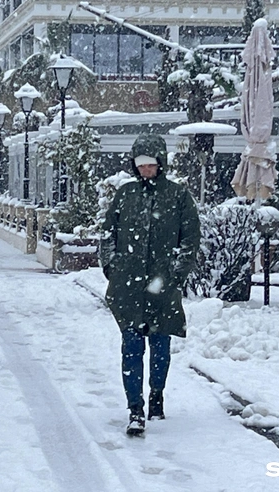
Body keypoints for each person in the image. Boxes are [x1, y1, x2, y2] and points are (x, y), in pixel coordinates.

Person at [100, 133, 201, 436]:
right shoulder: (125, 195)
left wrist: (176, 274)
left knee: (160, 346)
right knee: (131, 348)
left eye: (151, 164)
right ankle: (135, 408)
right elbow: (108, 233)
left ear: (161, 164)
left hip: (162, 286)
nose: (146, 169)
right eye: (140, 165)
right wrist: (112, 267)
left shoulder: (177, 196)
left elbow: (190, 239)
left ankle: (156, 395)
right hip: (128, 287)